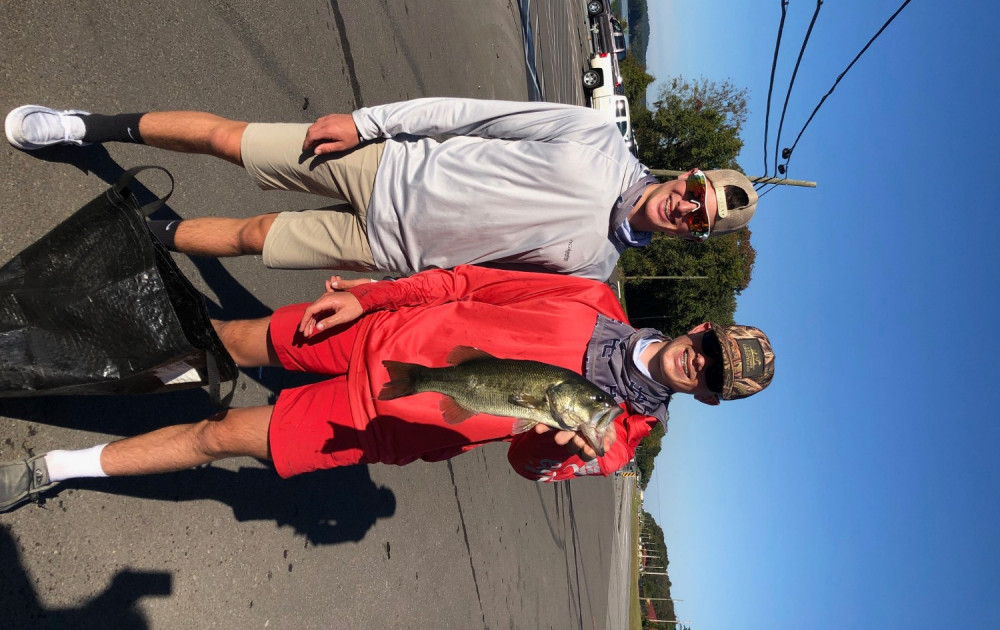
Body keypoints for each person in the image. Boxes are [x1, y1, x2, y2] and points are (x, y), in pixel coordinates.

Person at [0, 265, 774, 512]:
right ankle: (54, 357)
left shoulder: (621, 438)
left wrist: (547, 447)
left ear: (708, 397)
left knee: (217, 437)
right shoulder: (593, 297)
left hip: (384, 421)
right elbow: (467, 282)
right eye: (711, 350)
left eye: (713, 377)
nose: (699, 364)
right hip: (373, 331)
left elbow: (527, 466)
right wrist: (369, 297)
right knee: (221, 341)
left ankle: (53, 468)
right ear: (702, 329)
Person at [4, 99, 758, 281]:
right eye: (696, 194)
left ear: (694, 236)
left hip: (388, 248)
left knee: (251, 236)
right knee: (230, 140)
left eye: (699, 222)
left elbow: (481, 288)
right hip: (383, 166)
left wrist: (383, 299)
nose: (687, 210)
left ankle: (139, 236)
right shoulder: (595, 137)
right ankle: (84, 126)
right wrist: (366, 123)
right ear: (690, 176)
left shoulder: (597, 270)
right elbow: (467, 115)